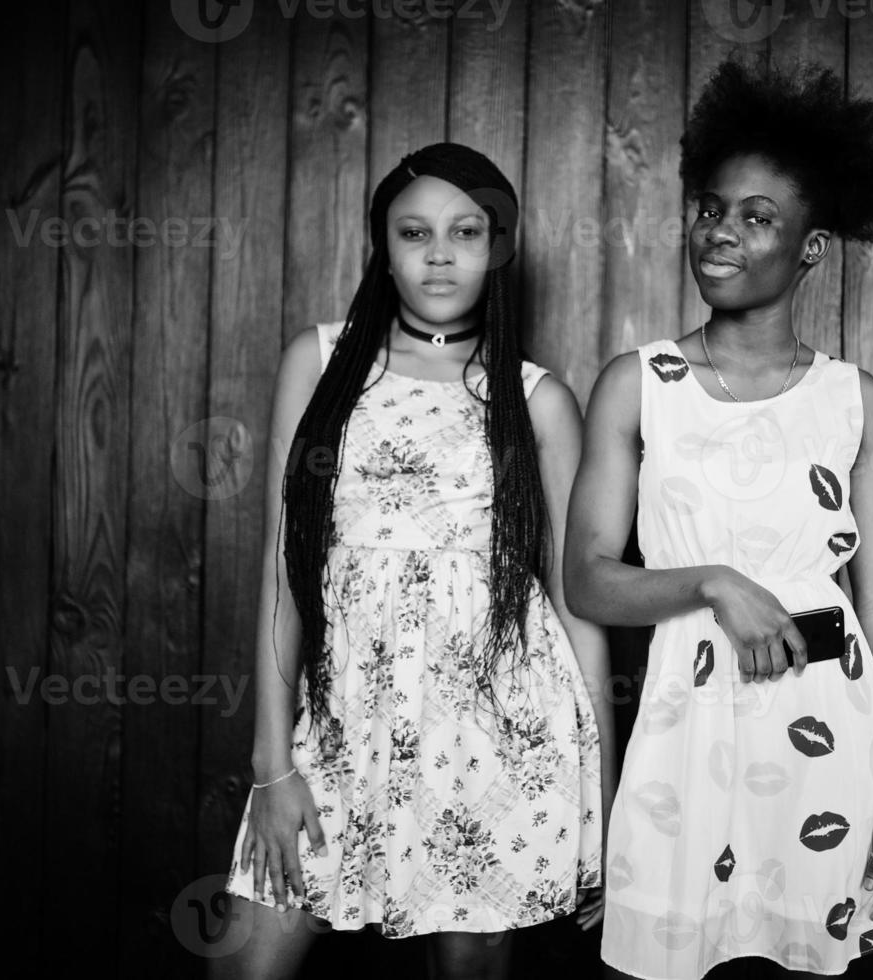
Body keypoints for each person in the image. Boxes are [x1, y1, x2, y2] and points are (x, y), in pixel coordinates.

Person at [565, 59, 873, 979]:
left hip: (826, 728)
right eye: (709, 209)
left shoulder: (855, 400)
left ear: (811, 248)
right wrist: (712, 583)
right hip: (683, 733)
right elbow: (585, 580)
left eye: (756, 218)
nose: (719, 233)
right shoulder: (636, 383)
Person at [212, 142, 615, 980]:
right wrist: (270, 760)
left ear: (495, 248)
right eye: (413, 231)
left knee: (469, 967)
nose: (438, 253)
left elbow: (578, 600)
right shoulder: (318, 363)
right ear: (384, 248)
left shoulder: (536, 396)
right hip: (341, 715)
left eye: (465, 231)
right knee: (246, 966)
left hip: (498, 729)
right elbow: (283, 569)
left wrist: (603, 801)